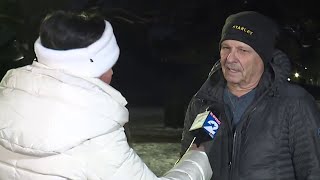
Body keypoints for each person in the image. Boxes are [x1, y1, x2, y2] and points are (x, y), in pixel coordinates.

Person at [0, 10, 212, 180]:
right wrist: (198, 154)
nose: (111, 72)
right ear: (92, 66)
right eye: (108, 65)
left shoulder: (7, 98)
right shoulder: (96, 134)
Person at [181, 11, 320, 180]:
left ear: (262, 57)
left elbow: (313, 170)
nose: (230, 58)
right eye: (226, 48)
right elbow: (187, 169)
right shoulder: (202, 102)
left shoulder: (295, 103)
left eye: (242, 50)